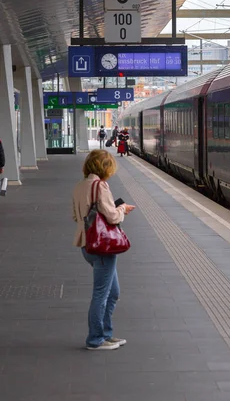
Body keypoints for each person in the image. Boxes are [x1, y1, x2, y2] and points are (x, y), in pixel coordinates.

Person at [72, 149, 135, 350]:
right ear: (104, 167)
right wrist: (122, 209)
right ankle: (95, 339)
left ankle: (106, 334)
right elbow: (112, 217)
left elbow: (76, 216)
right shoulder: (100, 186)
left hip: (87, 245)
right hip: (102, 247)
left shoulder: (80, 186)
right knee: (101, 294)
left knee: (113, 292)